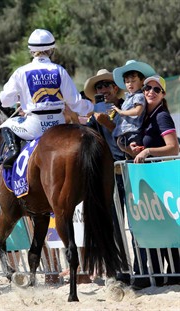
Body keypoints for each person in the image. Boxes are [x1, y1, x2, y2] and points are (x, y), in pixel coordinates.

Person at [0, 28, 94, 168]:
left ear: (31, 51)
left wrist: (20, 96)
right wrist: (93, 106)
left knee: (6, 125)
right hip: (59, 123)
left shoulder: (21, 72)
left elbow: (5, 101)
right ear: (51, 50)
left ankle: (13, 152)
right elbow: (75, 103)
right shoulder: (59, 70)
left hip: (35, 126)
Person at [128, 75, 180, 287]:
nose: (150, 92)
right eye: (147, 88)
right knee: (156, 229)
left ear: (163, 95)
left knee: (166, 230)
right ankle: (161, 276)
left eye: (156, 90)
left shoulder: (162, 117)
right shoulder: (144, 117)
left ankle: (174, 274)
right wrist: (133, 148)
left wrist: (149, 150)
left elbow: (174, 147)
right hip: (149, 180)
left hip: (162, 181)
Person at [84, 69, 130, 284]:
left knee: (138, 223)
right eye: (98, 87)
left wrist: (107, 122)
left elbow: (126, 134)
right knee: (115, 224)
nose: (102, 89)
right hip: (111, 174)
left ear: (115, 87)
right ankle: (122, 269)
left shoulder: (127, 105)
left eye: (106, 85)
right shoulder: (96, 113)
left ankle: (141, 267)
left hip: (130, 167)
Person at [112, 60, 156, 157]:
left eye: (133, 81)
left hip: (133, 132)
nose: (130, 84)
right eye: (127, 82)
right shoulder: (129, 98)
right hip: (125, 133)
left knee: (134, 153)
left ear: (142, 81)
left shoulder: (139, 96)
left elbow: (137, 111)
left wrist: (121, 112)